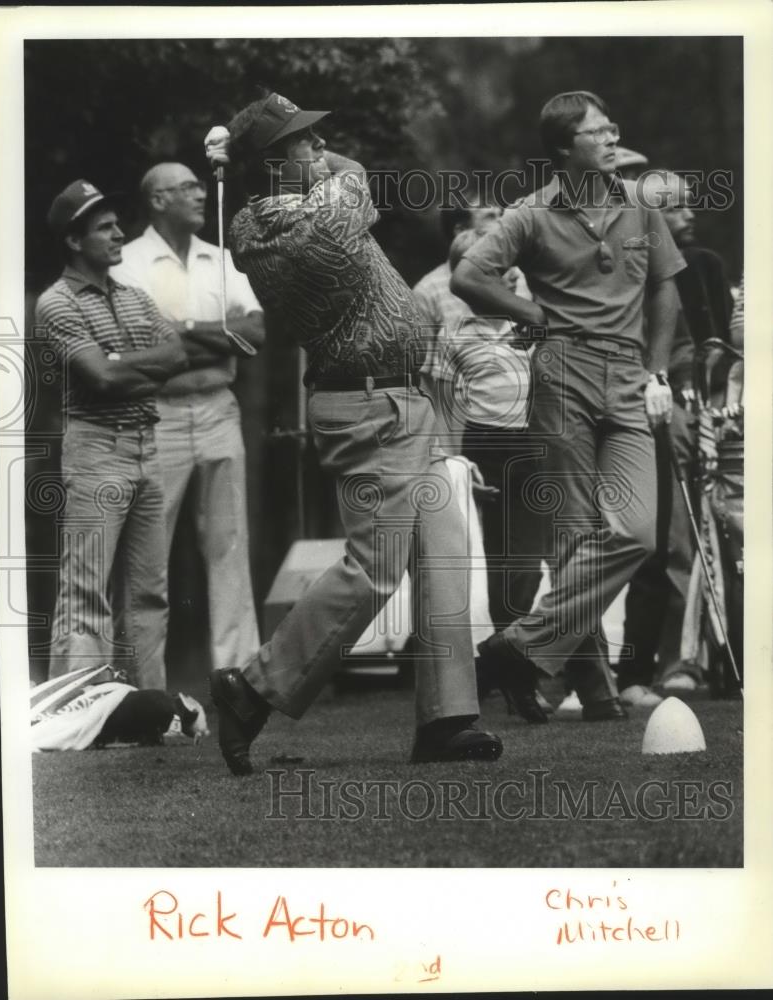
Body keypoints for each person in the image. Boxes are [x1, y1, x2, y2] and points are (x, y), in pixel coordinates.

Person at [203, 90, 502, 773]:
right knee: (375, 570)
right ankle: (253, 688)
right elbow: (354, 171)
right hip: (370, 411)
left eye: (312, 140)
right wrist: (263, 151)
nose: (318, 148)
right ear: (277, 165)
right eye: (302, 143)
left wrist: (262, 143)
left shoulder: (292, 198)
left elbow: (332, 165)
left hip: (404, 400)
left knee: (443, 558)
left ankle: (447, 719)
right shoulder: (292, 224)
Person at [451, 91, 686, 721]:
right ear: (563, 148)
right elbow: (468, 277)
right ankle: (597, 690)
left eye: (614, 128)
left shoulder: (639, 207)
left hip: (630, 376)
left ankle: (516, 648)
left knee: (634, 533)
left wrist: (657, 371)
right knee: (575, 539)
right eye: (598, 132)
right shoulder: (530, 215)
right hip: (562, 369)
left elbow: (666, 289)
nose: (612, 139)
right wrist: (534, 313)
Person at [111, 162, 265, 676]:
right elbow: (140, 346)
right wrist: (213, 336)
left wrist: (184, 330)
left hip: (220, 409)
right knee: (148, 554)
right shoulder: (127, 263)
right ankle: (143, 685)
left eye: (201, 186)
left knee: (230, 546)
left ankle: (239, 679)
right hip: (159, 415)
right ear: (157, 199)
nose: (201, 193)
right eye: (187, 188)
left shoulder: (220, 259)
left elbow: (254, 334)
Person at [36, 180, 189, 687]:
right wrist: (131, 366)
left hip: (147, 445)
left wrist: (122, 361)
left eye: (117, 224)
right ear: (75, 242)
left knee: (150, 592)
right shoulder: (57, 303)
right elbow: (98, 377)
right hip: (97, 450)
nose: (119, 234)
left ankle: (151, 710)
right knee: (86, 591)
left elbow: (178, 356)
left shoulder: (134, 295)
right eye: (105, 228)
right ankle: (76, 709)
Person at [618, 170, 735, 701]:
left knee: (690, 538)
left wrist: (695, 400)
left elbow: (704, 347)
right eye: (678, 207)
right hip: (627, 408)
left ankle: (687, 659)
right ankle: (634, 667)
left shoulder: (701, 264)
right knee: (653, 541)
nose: (690, 215)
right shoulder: (623, 263)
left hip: (683, 409)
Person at [444, 229, 550, 722]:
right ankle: (513, 677)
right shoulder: (455, 334)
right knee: (502, 566)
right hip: (485, 449)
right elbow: (440, 408)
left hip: (539, 445)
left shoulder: (540, 321)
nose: (504, 275)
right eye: (488, 270)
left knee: (536, 565)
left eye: (508, 269)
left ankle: (508, 667)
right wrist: (457, 467)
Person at [412, 202, 502, 453]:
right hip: (461, 427)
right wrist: (448, 454)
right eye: (490, 216)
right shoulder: (427, 292)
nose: (502, 223)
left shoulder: (520, 281)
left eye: (502, 214)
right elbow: (426, 384)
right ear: (461, 229)